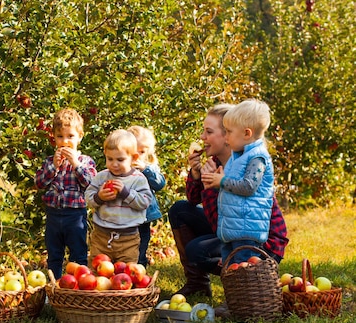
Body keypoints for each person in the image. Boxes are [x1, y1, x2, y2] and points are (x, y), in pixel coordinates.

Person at [168, 103, 288, 298]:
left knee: (197, 251)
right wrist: (197, 174)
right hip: (228, 229)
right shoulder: (214, 164)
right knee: (179, 210)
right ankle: (197, 283)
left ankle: (243, 292)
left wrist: (218, 185)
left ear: (227, 137)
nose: (202, 138)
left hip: (257, 241)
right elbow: (192, 199)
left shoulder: (248, 165)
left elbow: (241, 210)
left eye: (208, 132)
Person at [201, 99, 275, 264]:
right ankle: (234, 291)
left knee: (244, 270)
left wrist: (223, 181)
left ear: (247, 133)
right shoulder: (239, 155)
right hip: (233, 229)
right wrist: (220, 177)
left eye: (228, 132)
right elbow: (233, 184)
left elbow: (248, 186)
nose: (226, 137)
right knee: (230, 269)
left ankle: (247, 291)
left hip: (247, 231)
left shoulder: (258, 157)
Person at [35, 108, 97, 281]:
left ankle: (80, 286)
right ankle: (54, 287)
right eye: (60, 137)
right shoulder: (49, 161)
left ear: (80, 136)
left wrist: (75, 164)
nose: (65, 141)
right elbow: (40, 183)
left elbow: (90, 183)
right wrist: (54, 166)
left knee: (78, 253)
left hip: (75, 215)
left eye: (70, 136)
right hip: (53, 214)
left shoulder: (85, 161)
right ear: (54, 138)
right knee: (54, 253)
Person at [85, 129, 153, 264]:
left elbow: (145, 202)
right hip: (101, 236)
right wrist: (99, 197)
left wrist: (126, 193)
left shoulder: (138, 179)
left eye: (120, 159)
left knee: (127, 272)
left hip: (128, 238)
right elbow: (88, 197)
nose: (114, 164)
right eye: (110, 159)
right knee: (98, 270)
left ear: (134, 158)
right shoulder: (101, 177)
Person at [127, 125, 166, 266]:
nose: (137, 156)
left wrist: (145, 169)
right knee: (125, 248)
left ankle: (140, 274)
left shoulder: (149, 168)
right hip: (125, 217)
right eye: (133, 151)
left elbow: (160, 184)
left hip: (143, 217)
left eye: (142, 152)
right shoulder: (121, 167)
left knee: (141, 247)